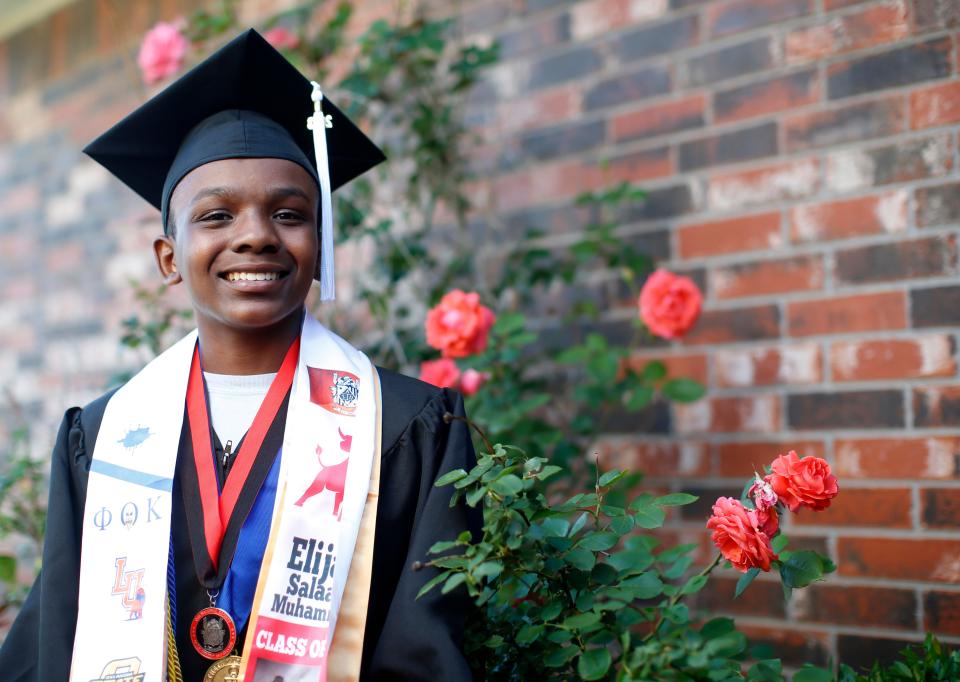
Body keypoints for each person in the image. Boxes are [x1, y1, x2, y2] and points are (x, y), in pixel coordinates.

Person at [0, 29, 479, 682]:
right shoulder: (103, 435)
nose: (255, 235)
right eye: (217, 216)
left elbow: (425, 652)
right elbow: (58, 638)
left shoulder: (407, 426)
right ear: (169, 259)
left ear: (321, 242)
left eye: (289, 213)